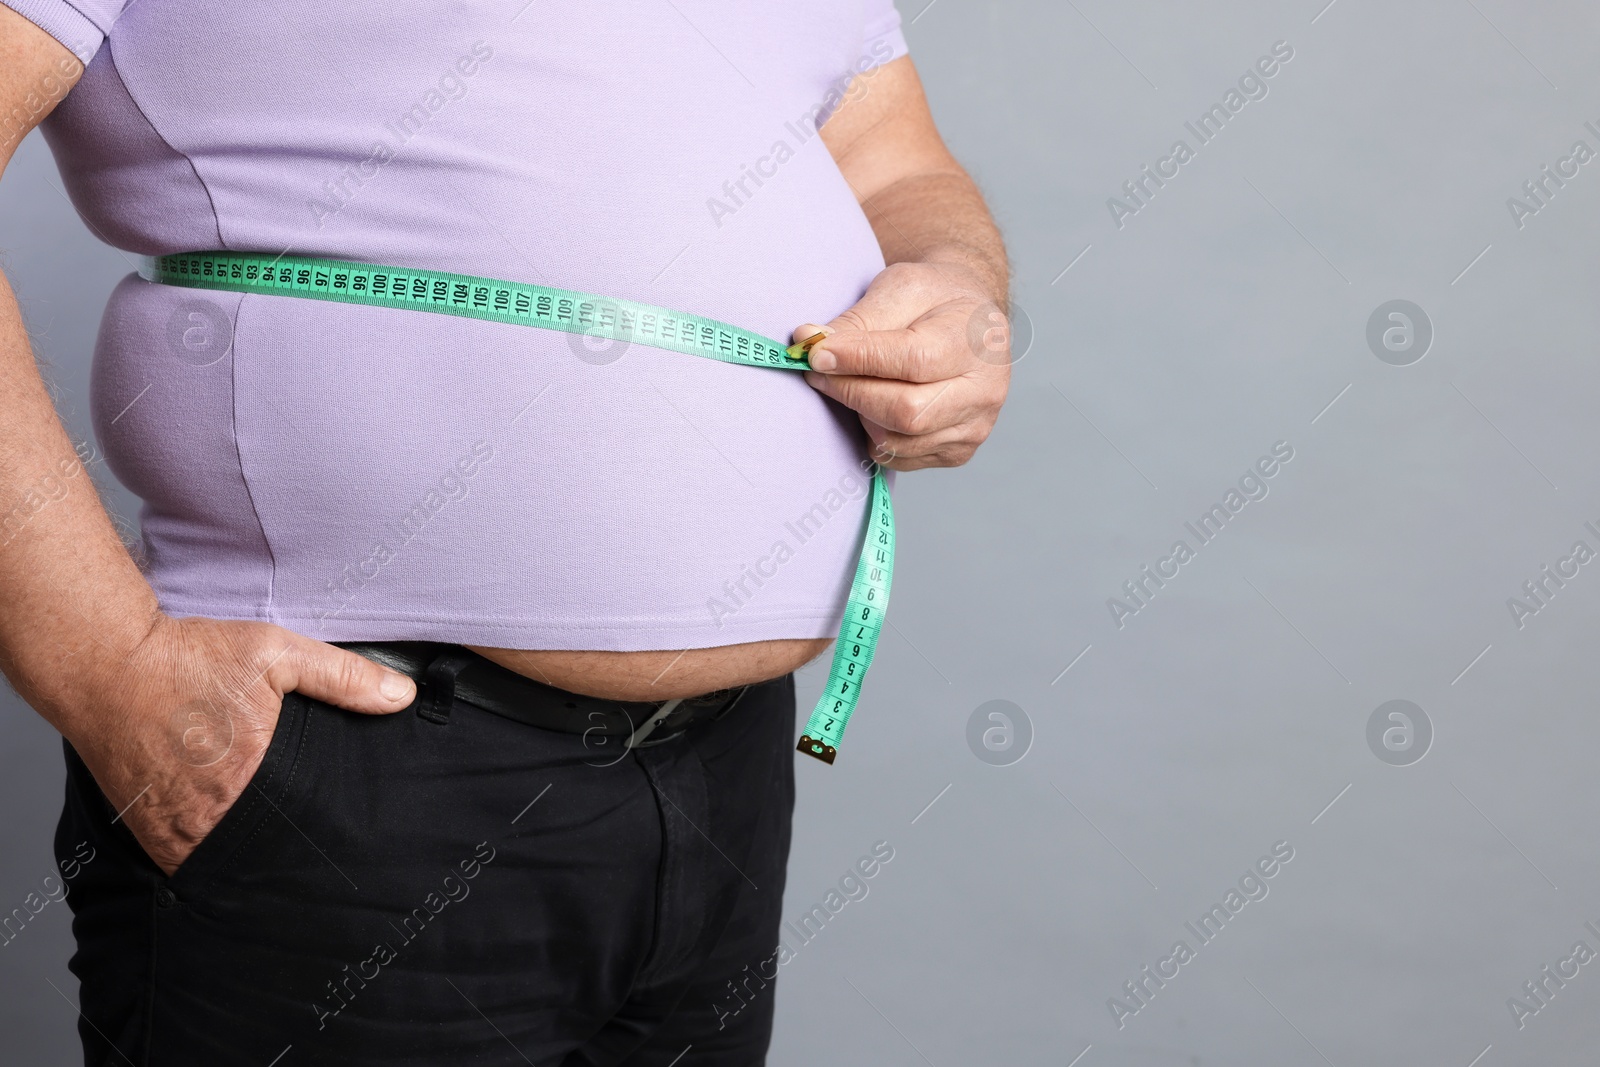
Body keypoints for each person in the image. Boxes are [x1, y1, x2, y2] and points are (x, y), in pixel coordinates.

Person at [0, 1, 1009, 1063]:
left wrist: (958, 288)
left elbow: (895, 167)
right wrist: (114, 671)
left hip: (725, 770)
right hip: (349, 765)